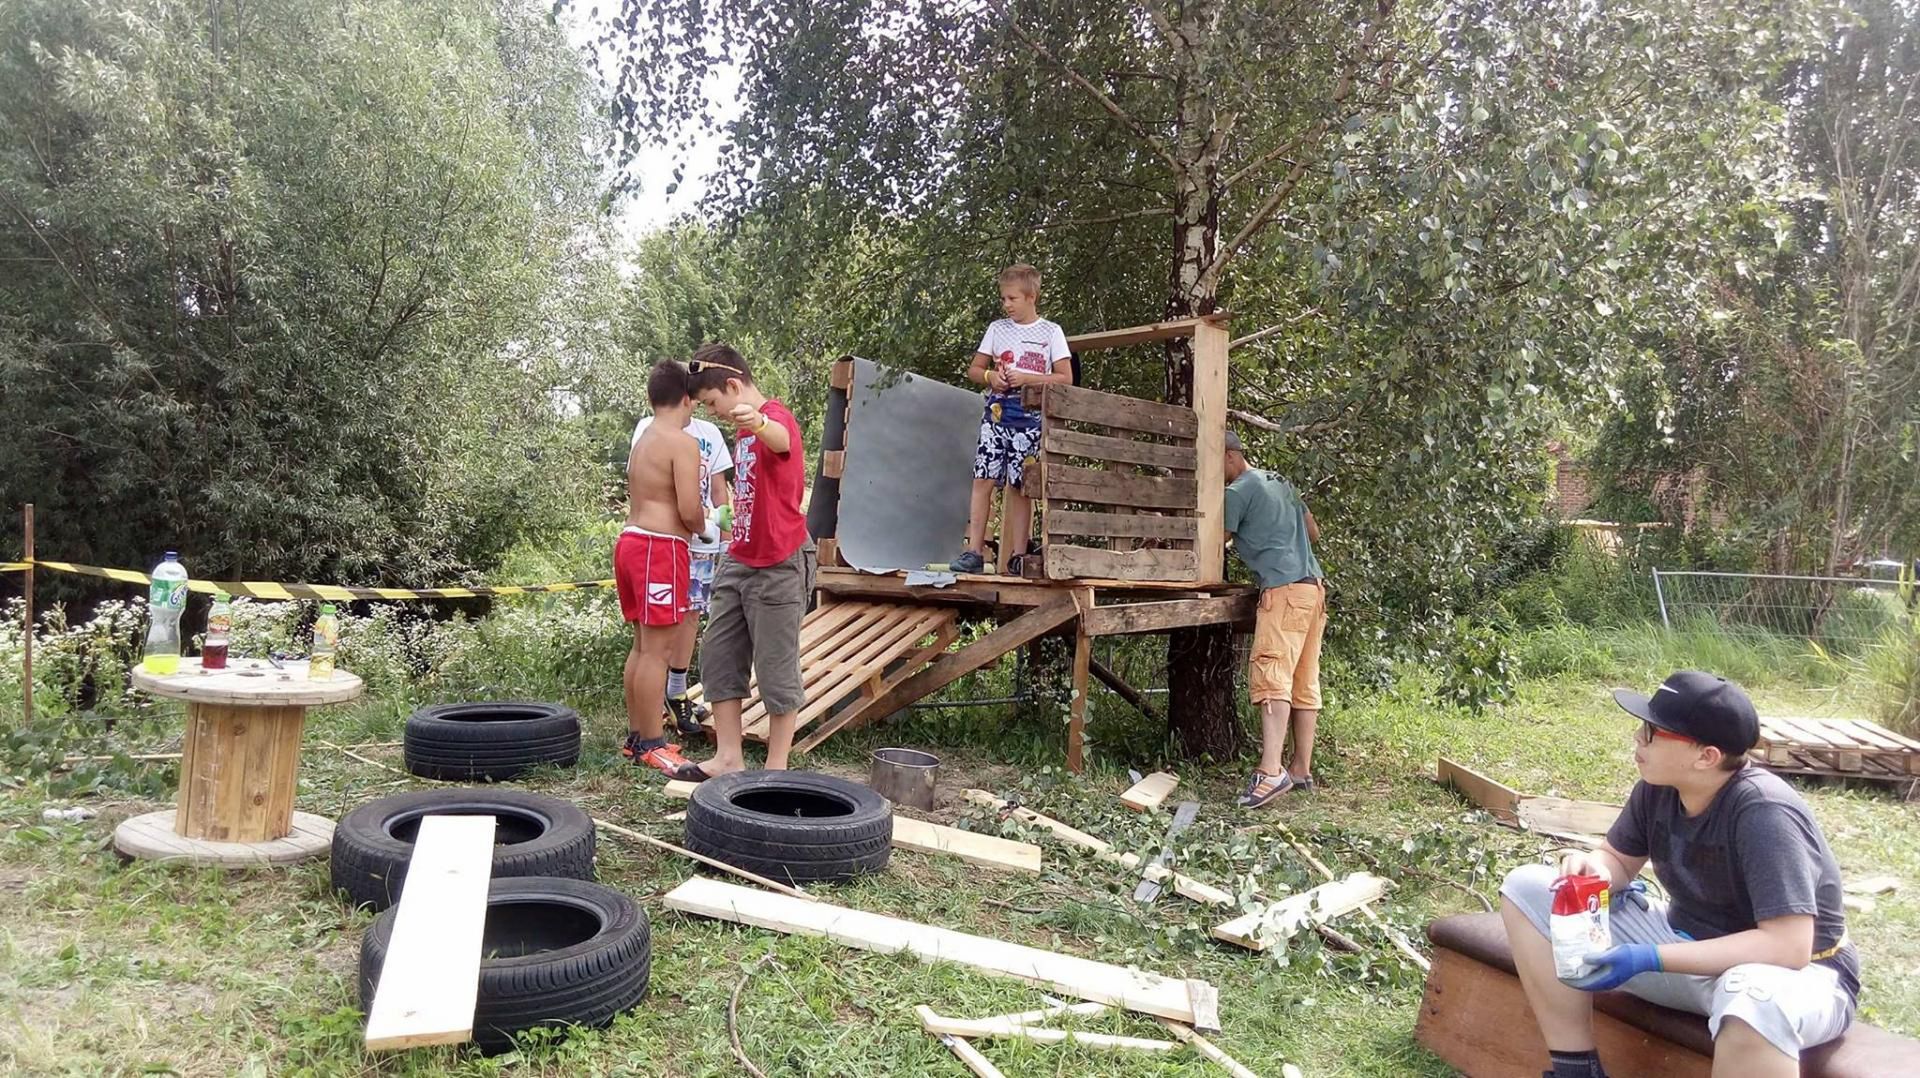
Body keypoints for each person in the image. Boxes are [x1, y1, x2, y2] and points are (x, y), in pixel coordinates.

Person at [1497, 671, 1858, 1078]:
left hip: (1798, 977)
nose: (1638, 737)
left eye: (1653, 731)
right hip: (1688, 951)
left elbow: (1788, 946)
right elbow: (1617, 859)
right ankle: (1576, 1070)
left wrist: (1649, 957)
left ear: (1706, 756)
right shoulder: (1660, 785)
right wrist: (1592, 870)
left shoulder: (1764, 811)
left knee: (1754, 999)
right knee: (1529, 887)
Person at [679, 342, 815, 780]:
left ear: (733, 384)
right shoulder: (741, 433)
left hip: (779, 560)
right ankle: (728, 757)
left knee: (776, 668)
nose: (713, 411)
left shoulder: (775, 418)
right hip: (739, 556)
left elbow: (780, 440)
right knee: (719, 655)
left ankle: (776, 769)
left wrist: (757, 422)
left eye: (713, 402)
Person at [1221, 431, 1326, 807]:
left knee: (1271, 676)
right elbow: (1312, 532)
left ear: (1231, 456)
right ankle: (1300, 770)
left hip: (1282, 590)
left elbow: (1215, 539)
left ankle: (1270, 772)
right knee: (1303, 680)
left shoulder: (1235, 493)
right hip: (1313, 589)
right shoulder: (1281, 481)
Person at [948, 263, 1073, 576]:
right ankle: (974, 552)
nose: (1006, 305)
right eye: (1003, 299)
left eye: (1012, 298)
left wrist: (1027, 377)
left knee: (1020, 486)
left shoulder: (1051, 332)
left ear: (1031, 297)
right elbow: (974, 369)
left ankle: (1018, 555)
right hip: (996, 415)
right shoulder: (997, 329)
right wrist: (992, 376)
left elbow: (1065, 378)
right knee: (983, 478)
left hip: (1029, 420)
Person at [615, 361, 709, 774]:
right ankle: (654, 743)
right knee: (659, 650)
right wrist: (707, 524)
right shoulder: (682, 442)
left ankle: (637, 738)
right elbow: (689, 509)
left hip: (631, 542)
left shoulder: (644, 439)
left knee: (641, 645)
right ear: (687, 400)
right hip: (660, 548)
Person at [631, 401, 734, 739]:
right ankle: (648, 732)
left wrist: (724, 536)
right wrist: (702, 522)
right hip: (664, 543)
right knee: (653, 642)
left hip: (696, 544)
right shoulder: (652, 428)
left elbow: (720, 492)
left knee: (690, 616)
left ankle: (676, 694)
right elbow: (648, 485)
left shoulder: (709, 433)